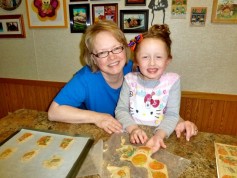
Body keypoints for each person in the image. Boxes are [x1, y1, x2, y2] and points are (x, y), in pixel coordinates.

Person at [48, 20, 198, 141]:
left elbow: (159, 100)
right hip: (105, 139)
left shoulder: (136, 69)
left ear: (125, 48)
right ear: (93, 57)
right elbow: (53, 112)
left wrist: (179, 122)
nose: (112, 57)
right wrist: (97, 117)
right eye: (102, 52)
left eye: (116, 48)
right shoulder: (85, 78)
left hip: (142, 137)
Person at [115, 24, 190, 153]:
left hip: (162, 136)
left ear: (167, 60)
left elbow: (172, 115)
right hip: (131, 134)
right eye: (145, 57)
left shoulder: (172, 81)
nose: (152, 63)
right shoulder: (129, 80)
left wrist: (159, 136)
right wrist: (133, 129)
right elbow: (121, 110)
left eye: (159, 57)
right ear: (136, 61)